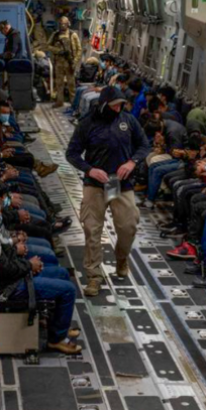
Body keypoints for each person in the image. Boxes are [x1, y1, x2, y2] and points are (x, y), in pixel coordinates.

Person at [66, 87, 149, 296]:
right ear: (104, 105)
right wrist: (90, 170)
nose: (119, 108)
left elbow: (143, 146)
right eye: (115, 105)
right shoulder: (87, 124)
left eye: (121, 104)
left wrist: (132, 162)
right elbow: (72, 153)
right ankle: (94, 276)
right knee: (92, 229)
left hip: (118, 182)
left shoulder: (128, 121)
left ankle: (121, 258)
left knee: (127, 225)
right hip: (95, 184)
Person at [0, 194, 81, 354]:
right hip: (9, 288)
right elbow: (7, 269)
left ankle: (57, 325)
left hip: (12, 278)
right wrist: (29, 265)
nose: (0, 215)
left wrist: (26, 263)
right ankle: (57, 339)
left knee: (61, 273)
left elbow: (6, 259)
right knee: (68, 290)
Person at [45, 15, 81, 108]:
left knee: (71, 84)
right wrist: (58, 50)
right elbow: (47, 46)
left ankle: (73, 102)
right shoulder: (55, 35)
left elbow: (79, 50)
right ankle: (59, 101)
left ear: (68, 24)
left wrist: (75, 61)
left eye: (65, 24)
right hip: (59, 62)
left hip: (69, 63)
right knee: (59, 83)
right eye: (61, 24)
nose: (63, 26)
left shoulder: (73, 35)